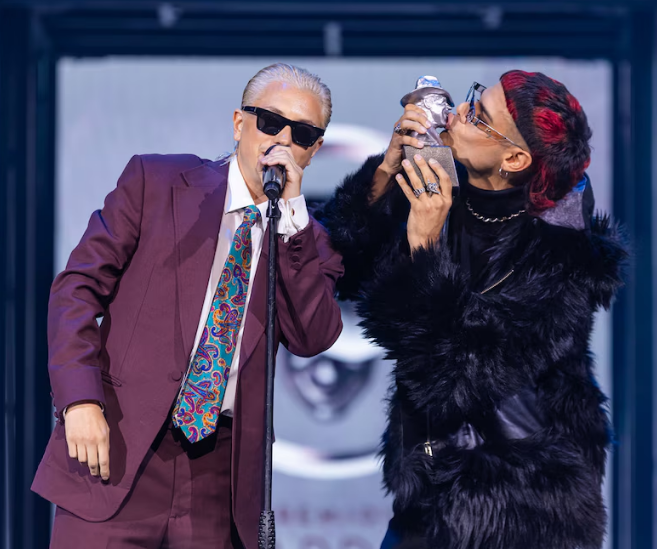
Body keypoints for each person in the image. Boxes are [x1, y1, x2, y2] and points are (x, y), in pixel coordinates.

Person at [32, 63, 344, 549]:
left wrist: (291, 223)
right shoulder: (157, 181)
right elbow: (77, 288)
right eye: (270, 122)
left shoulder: (309, 243)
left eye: (301, 133)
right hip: (117, 443)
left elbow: (312, 336)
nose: (282, 140)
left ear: (314, 149)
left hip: (218, 475)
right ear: (239, 123)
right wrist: (79, 399)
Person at [317, 71, 627, 548]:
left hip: (525, 506)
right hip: (428, 494)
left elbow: (456, 378)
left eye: (479, 117)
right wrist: (384, 172)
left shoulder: (562, 255)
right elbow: (340, 268)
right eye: (471, 99)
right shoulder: (445, 188)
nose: (459, 113)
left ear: (514, 158)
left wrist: (424, 247)